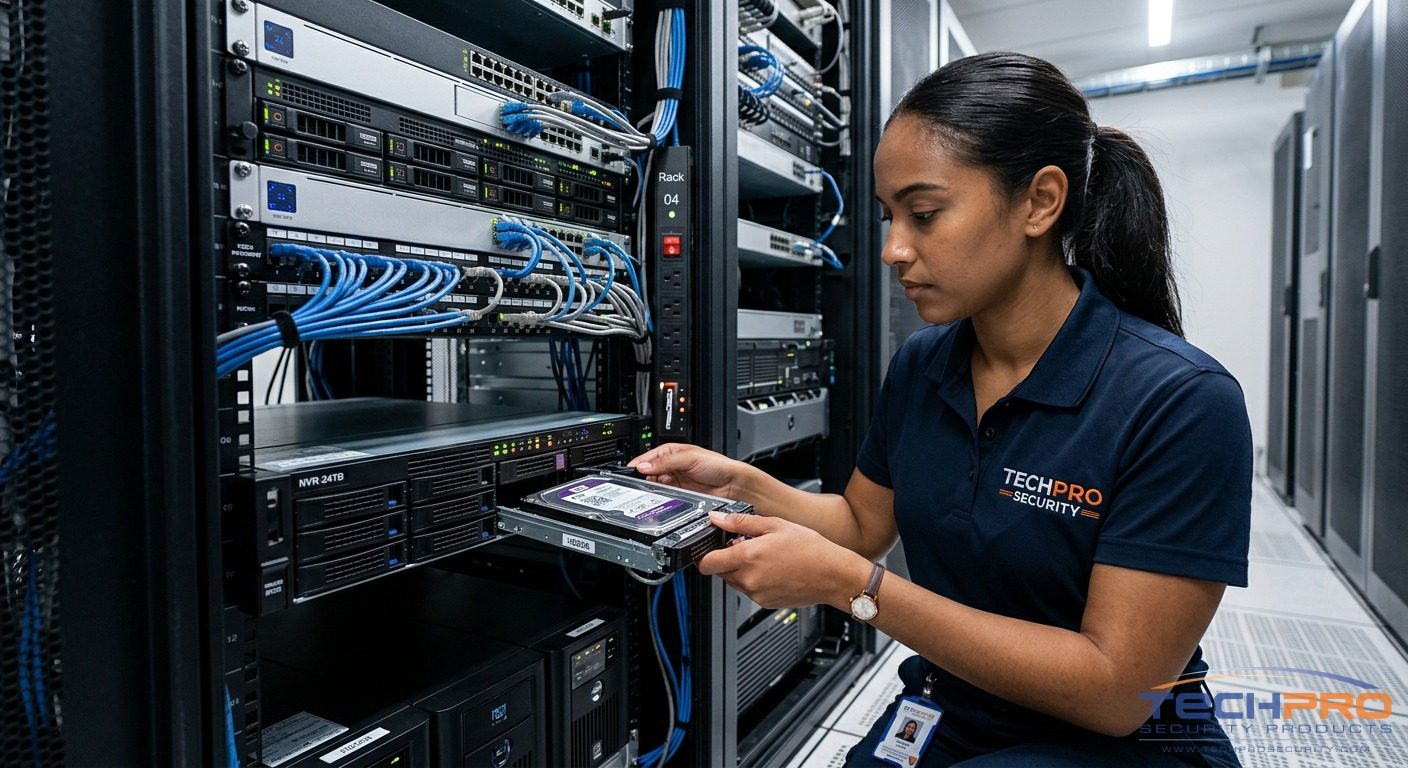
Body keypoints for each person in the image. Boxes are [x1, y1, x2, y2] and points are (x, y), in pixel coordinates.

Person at [630, 52, 1249, 767]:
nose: (893, 249)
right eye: (891, 216)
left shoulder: (1180, 402)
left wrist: (851, 589)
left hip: (1116, 742)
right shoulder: (927, 364)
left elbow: (1116, 690)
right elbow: (863, 525)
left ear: (1040, 202)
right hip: (955, 706)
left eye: (924, 214)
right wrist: (741, 486)